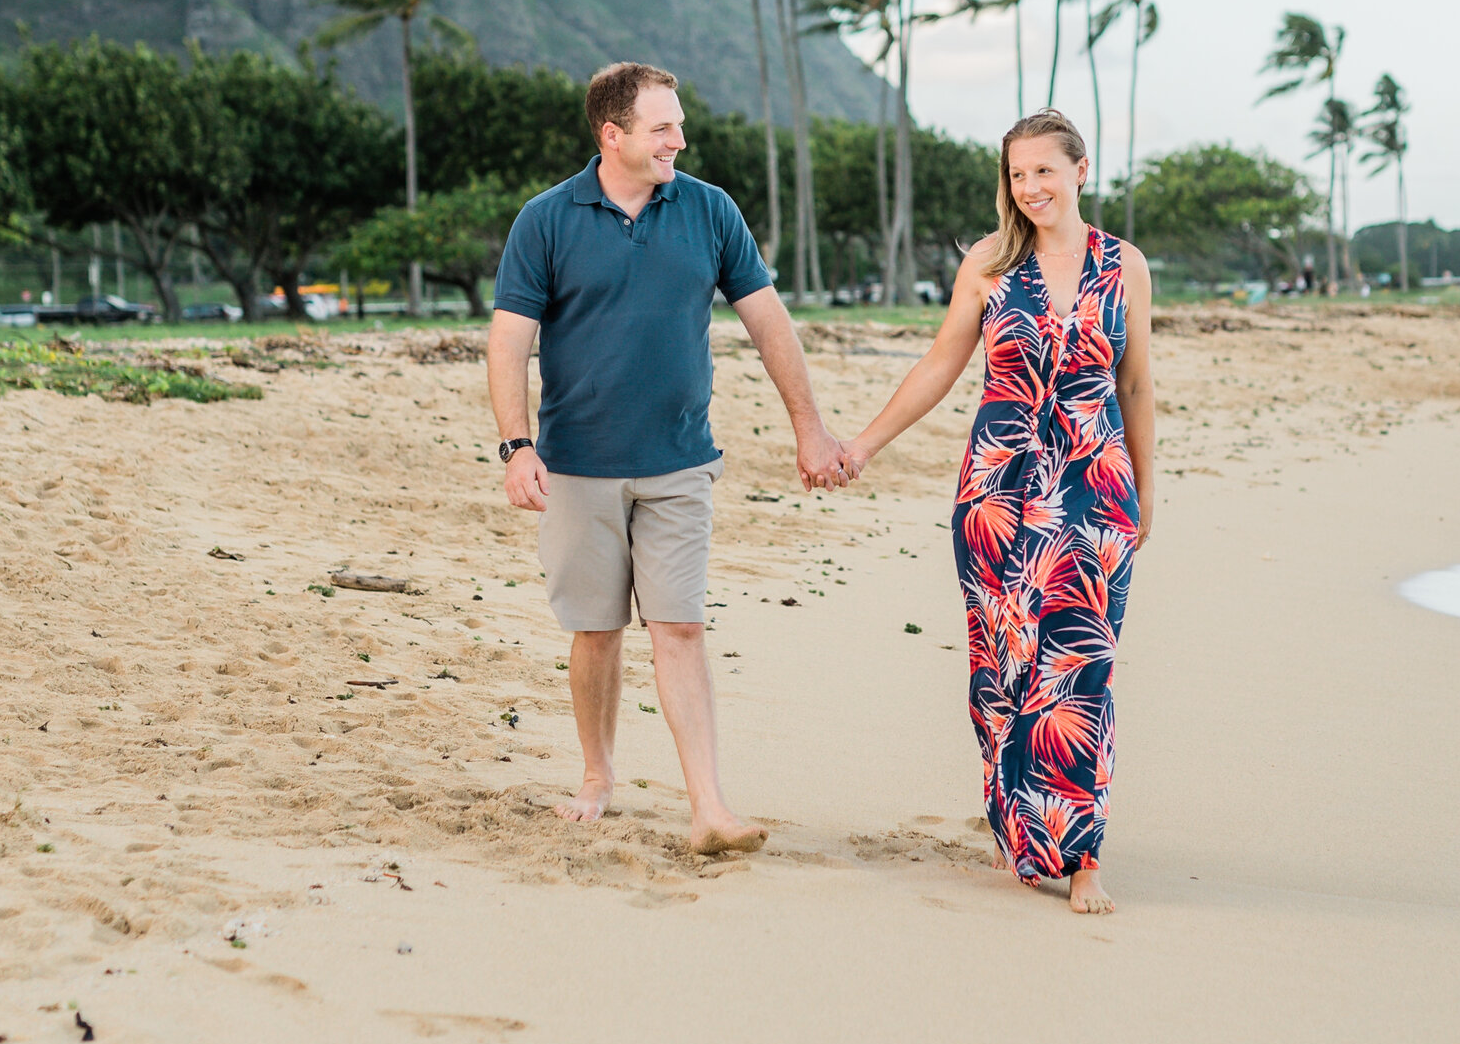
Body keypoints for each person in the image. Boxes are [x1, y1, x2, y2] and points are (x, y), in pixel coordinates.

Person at [488, 61, 851, 855]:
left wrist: (811, 429)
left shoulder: (710, 210)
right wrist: (518, 446)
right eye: (662, 127)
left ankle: (709, 806)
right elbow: (510, 341)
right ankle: (597, 775)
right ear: (611, 134)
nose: (678, 140)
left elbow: (769, 322)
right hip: (578, 466)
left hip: (681, 462)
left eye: (678, 124)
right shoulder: (545, 219)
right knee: (596, 630)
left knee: (680, 625)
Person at [837, 109, 1155, 915]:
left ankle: (1082, 855)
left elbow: (1137, 386)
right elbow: (941, 363)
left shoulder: (1125, 266)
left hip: (1093, 484)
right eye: (1017, 174)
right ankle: (1021, 823)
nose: (1030, 188)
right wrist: (865, 443)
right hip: (999, 489)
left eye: (1044, 170)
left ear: (1081, 170)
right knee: (1004, 664)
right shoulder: (988, 262)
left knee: (1080, 665)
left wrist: (1145, 492)